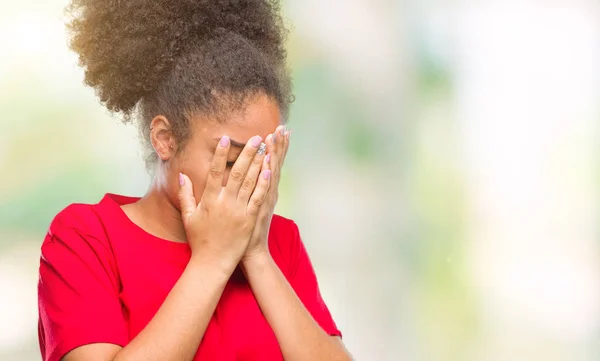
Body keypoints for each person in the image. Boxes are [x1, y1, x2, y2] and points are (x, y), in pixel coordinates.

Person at [36, 0, 352, 361]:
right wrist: (213, 258)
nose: (250, 178)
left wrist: (256, 254)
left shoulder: (280, 241)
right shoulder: (86, 238)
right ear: (165, 139)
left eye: (263, 158)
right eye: (233, 159)